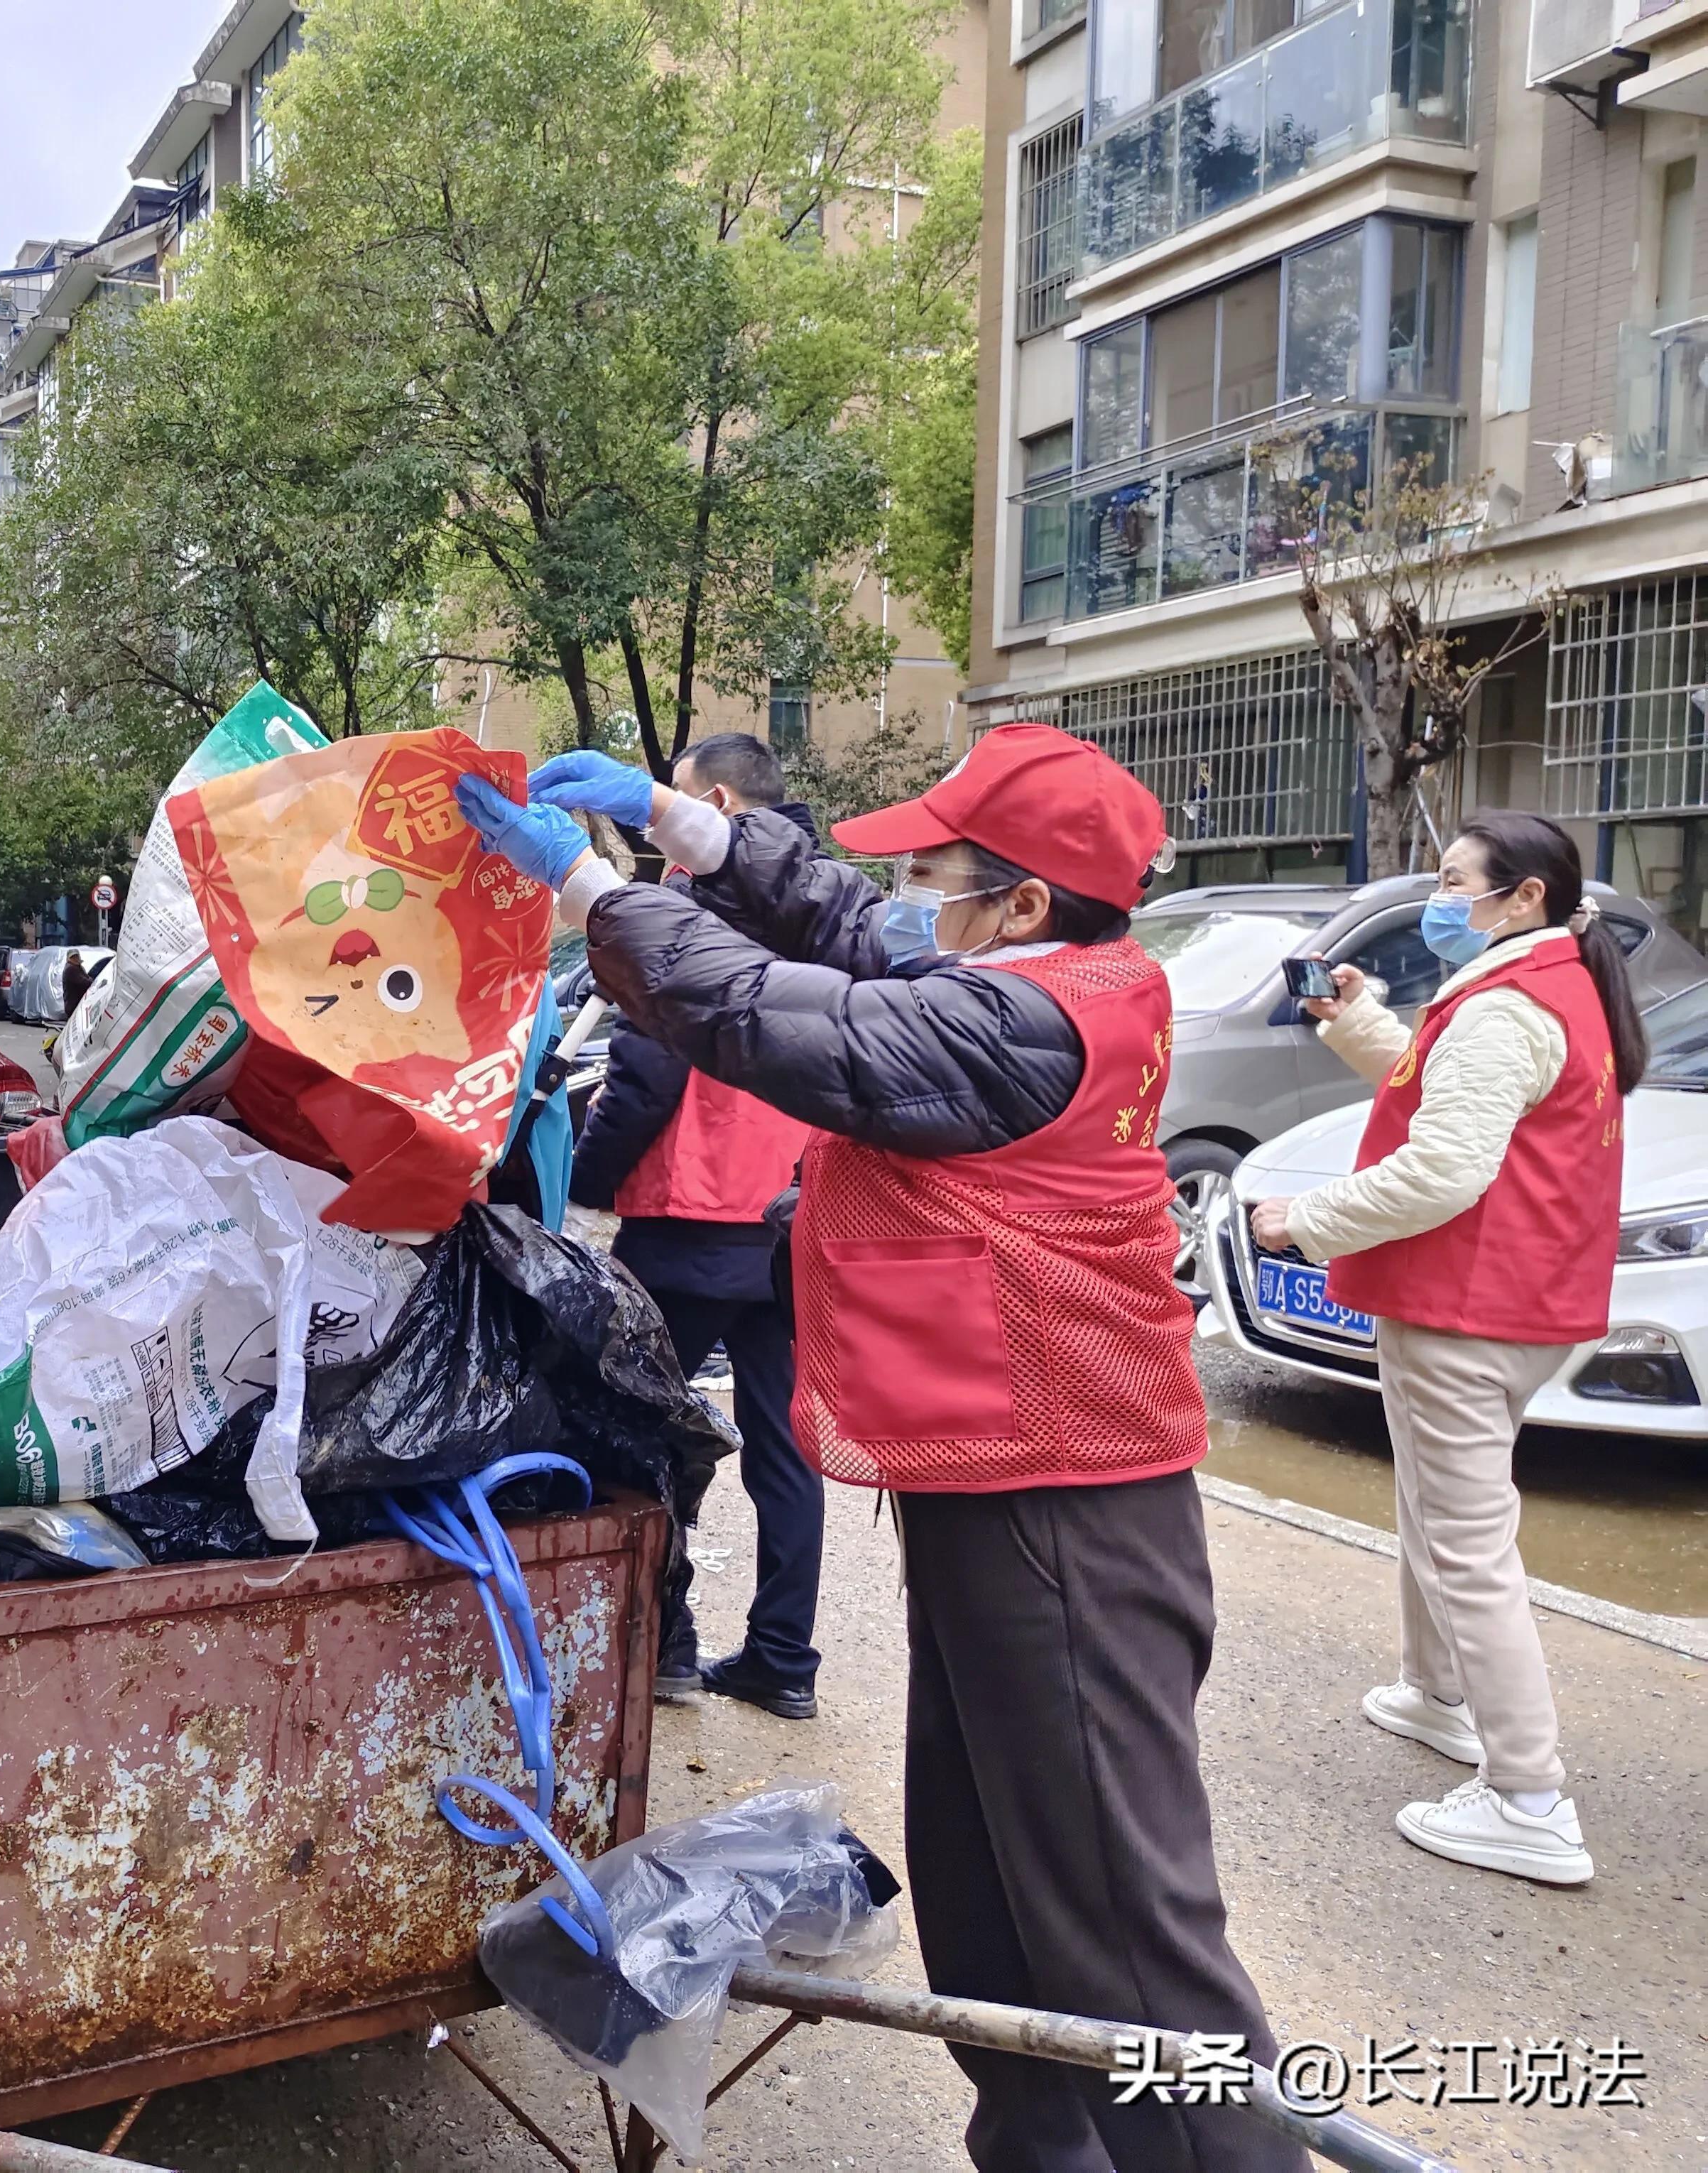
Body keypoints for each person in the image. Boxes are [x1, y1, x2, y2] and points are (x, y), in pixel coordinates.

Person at [459, 726, 1305, 2173]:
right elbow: (854, 926)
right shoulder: (1038, 969)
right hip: (999, 1476)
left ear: (1024, 904)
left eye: (940, 874)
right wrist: (689, 824)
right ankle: (1042, 2150)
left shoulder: (1018, 1025)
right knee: (986, 1876)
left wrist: (599, 893)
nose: (908, 895)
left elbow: (771, 1012)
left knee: (1128, 1923)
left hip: (1069, 1499)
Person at [1249, 815, 1638, 1889]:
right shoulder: (1546, 984)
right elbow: (1440, 1085)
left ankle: (1529, 1798)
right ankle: (1437, 1695)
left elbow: (1443, 1171)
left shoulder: (1508, 1004)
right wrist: (1358, 1020)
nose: (1439, 896)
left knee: (1467, 1543)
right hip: (1515, 1299)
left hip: (1469, 1305)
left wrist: (1305, 1219)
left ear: (1520, 899)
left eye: (1457, 881)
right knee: (1438, 1507)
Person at [567, 732, 820, 1716]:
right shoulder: (819, 907)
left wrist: (585, 1188)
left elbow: (643, 1077)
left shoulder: (687, 911)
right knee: (784, 1448)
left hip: (688, 1222)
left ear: (711, 801)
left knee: (656, 1441)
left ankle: (666, 1648)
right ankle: (784, 1662)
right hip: (796, 1222)